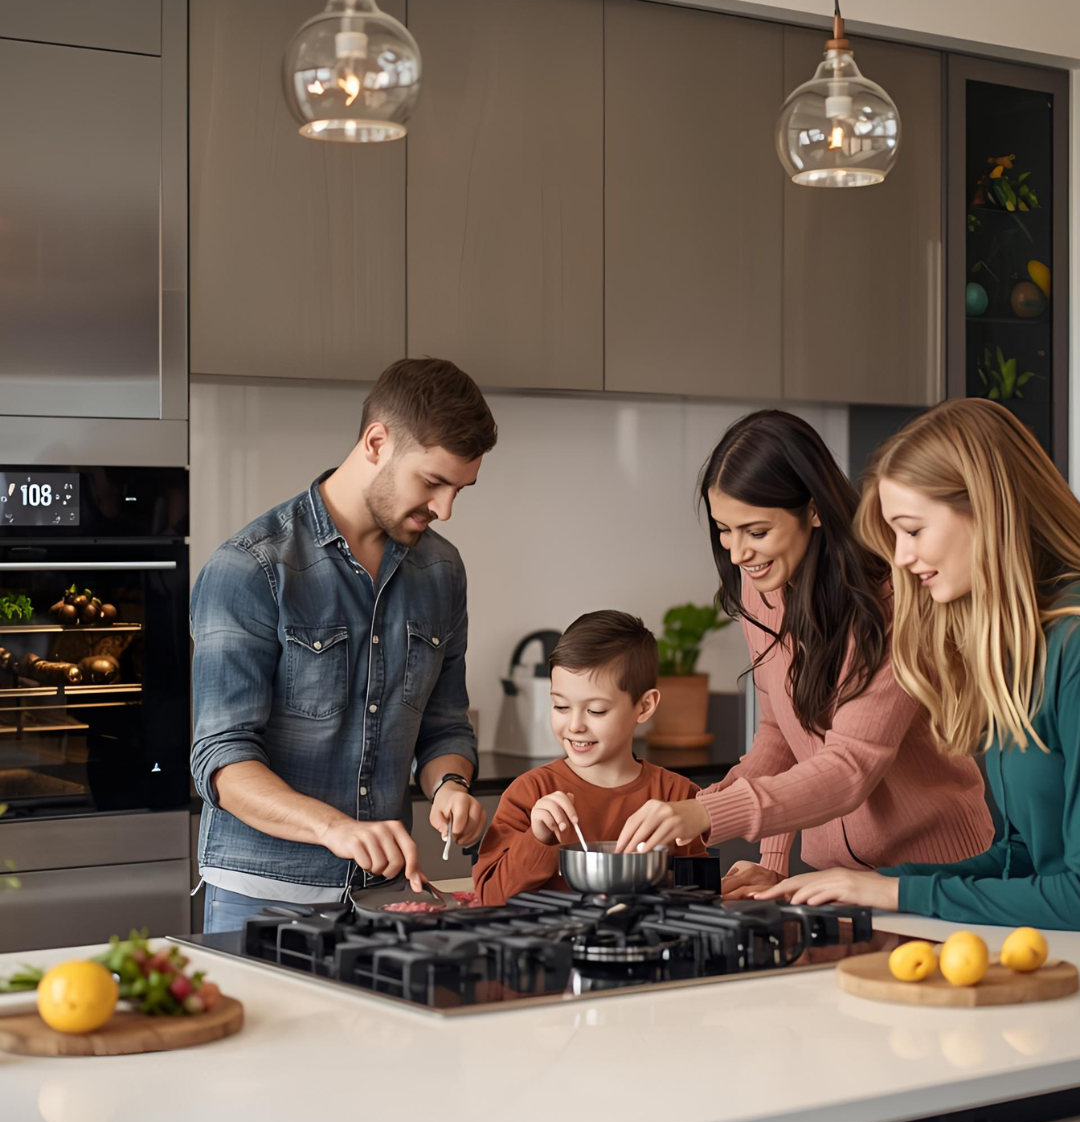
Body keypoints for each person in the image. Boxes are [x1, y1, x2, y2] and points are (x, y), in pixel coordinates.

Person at [614, 410, 993, 888]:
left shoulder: (893, 602)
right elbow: (781, 733)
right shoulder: (762, 591)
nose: (736, 553)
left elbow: (849, 768)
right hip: (834, 880)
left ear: (813, 510)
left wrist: (705, 811)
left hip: (936, 873)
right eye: (723, 530)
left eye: (756, 531)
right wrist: (772, 860)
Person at [190, 358, 496, 933]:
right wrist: (334, 828)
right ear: (376, 442)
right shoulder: (251, 568)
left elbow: (444, 726)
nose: (446, 508)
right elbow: (223, 761)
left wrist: (450, 785)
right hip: (264, 898)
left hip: (385, 899)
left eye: (460, 488)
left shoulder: (442, 570)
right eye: (433, 482)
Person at [758, 399, 1080, 927]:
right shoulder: (1016, 646)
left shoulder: (1073, 646)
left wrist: (900, 896)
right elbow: (1022, 859)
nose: (902, 558)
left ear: (985, 510)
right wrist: (872, 885)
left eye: (912, 530)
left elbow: (1076, 893)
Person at [473, 611, 707, 904]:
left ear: (644, 706)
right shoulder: (530, 793)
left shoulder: (678, 797)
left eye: (596, 710)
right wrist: (537, 839)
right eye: (560, 706)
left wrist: (659, 873)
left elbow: (704, 895)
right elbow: (489, 898)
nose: (574, 726)